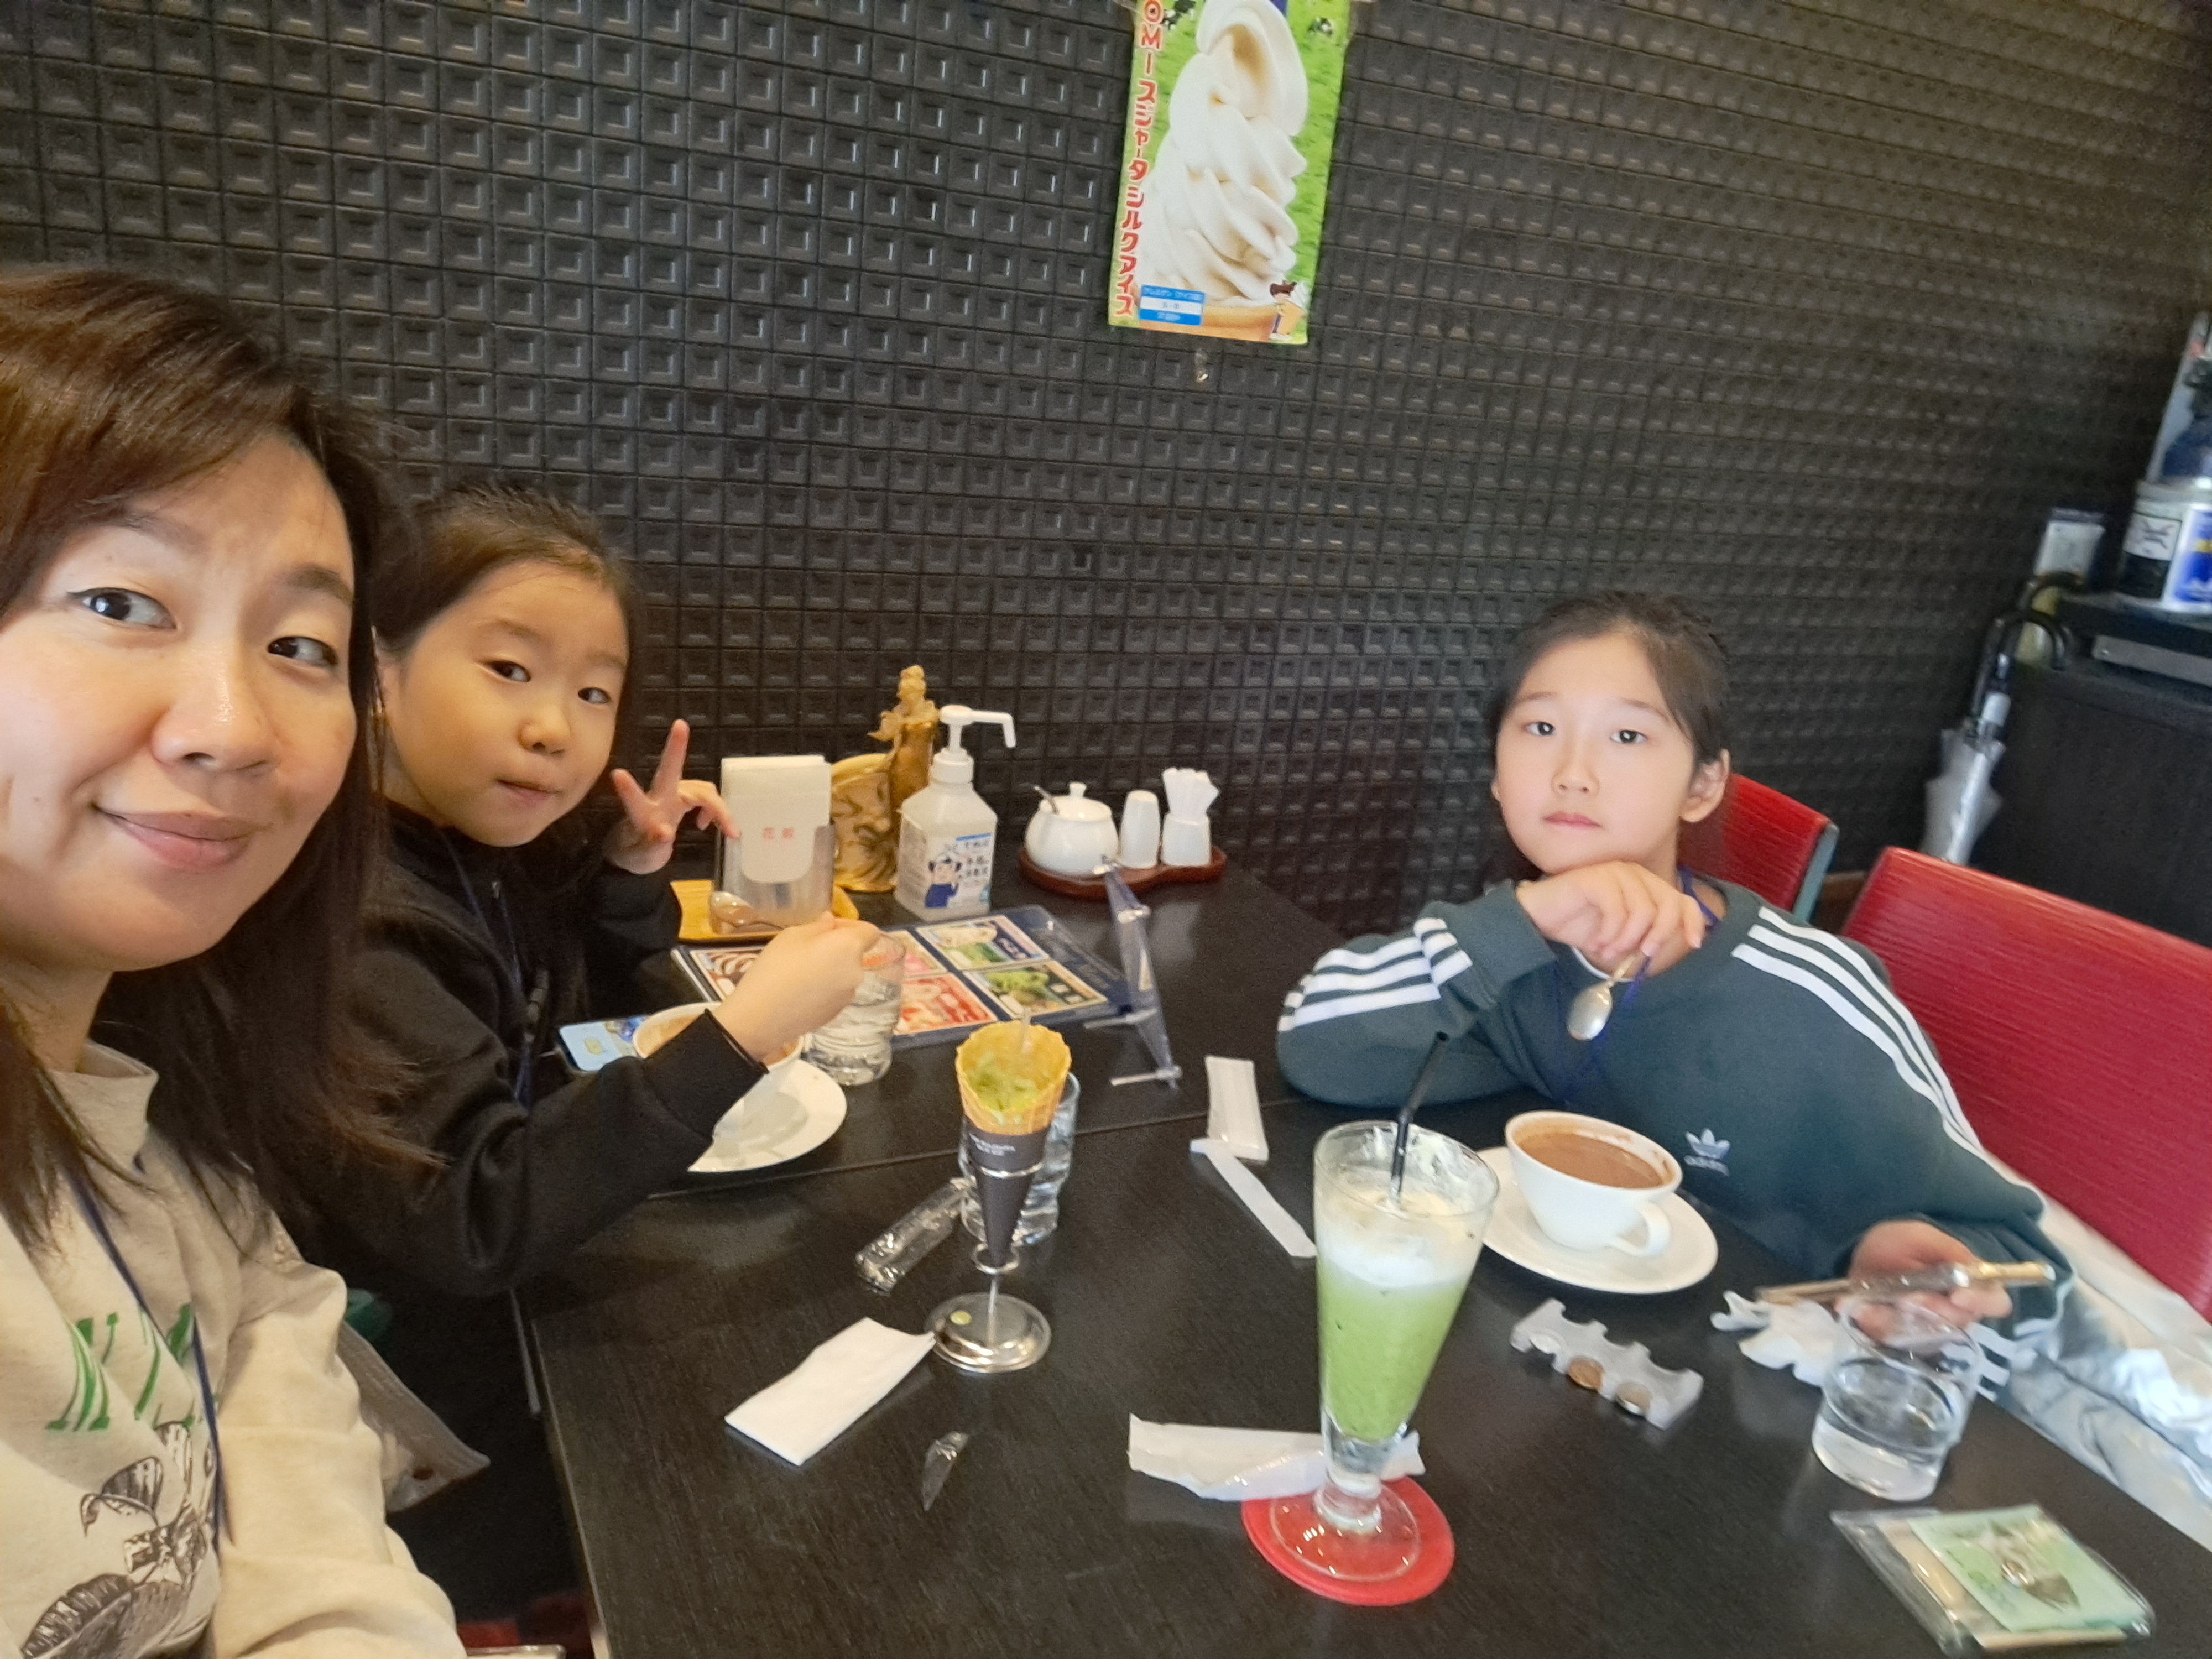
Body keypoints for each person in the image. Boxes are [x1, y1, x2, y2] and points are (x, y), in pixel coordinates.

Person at [290, 482, 877, 1615]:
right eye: (510, 669)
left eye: (593, 691)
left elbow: (559, 1016)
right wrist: (747, 1029)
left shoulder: (465, 844)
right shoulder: (355, 915)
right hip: (406, 1425)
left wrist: (624, 876)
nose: (554, 726)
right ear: (380, 668)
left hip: (494, 1323)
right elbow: (482, 1214)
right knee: (775, 1494)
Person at [0, 268, 460, 1652]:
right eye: (120, 602)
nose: (235, 726)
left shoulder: (169, 1111)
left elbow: (266, 1328)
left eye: (299, 645)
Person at [1277, 591, 2065, 1350]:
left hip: (1762, 1380)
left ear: (1703, 784)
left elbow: (2026, 1269)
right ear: (1496, 770)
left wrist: (1912, 1269)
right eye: (1541, 727)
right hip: (1553, 1343)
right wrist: (1523, 920)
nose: (1573, 772)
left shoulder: (1816, 999)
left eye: (1627, 736)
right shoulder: (1519, 951)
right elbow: (1316, 1044)